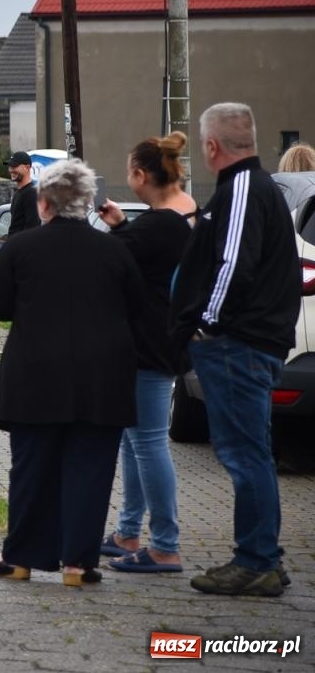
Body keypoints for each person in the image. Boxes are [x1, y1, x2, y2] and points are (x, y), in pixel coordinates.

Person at [0, 159, 146, 586]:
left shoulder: (20, 248)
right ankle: (78, 563)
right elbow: (137, 307)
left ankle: (21, 558)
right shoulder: (115, 250)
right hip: (102, 376)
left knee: (32, 467)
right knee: (91, 469)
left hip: (35, 373)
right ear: (87, 204)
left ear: (44, 203)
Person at [170, 103, 301, 597]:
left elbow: (232, 263)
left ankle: (257, 561)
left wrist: (205, 325)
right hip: (249, 344)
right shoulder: (254, 188)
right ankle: (262, 555)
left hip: (238, 345)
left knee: (246, 456)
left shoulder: (243, 187)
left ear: (211, 146)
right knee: (252, 454)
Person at [95, 132, 197, 575]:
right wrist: (120, 227)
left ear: (140, 175)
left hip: (149, 345)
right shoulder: (183, 214)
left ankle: (164, 545)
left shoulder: (162, 224)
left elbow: (112, 262)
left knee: (150, 442)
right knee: (134, 440)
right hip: (161, 340)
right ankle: (128, 532)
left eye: (128, 171)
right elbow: (140, 255)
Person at [6, 151, 40, 237]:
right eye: (10, 166)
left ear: (27, 168)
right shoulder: (19, 193)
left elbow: (32, 229)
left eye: (14, 166)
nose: (11, 170)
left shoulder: (31, 194)